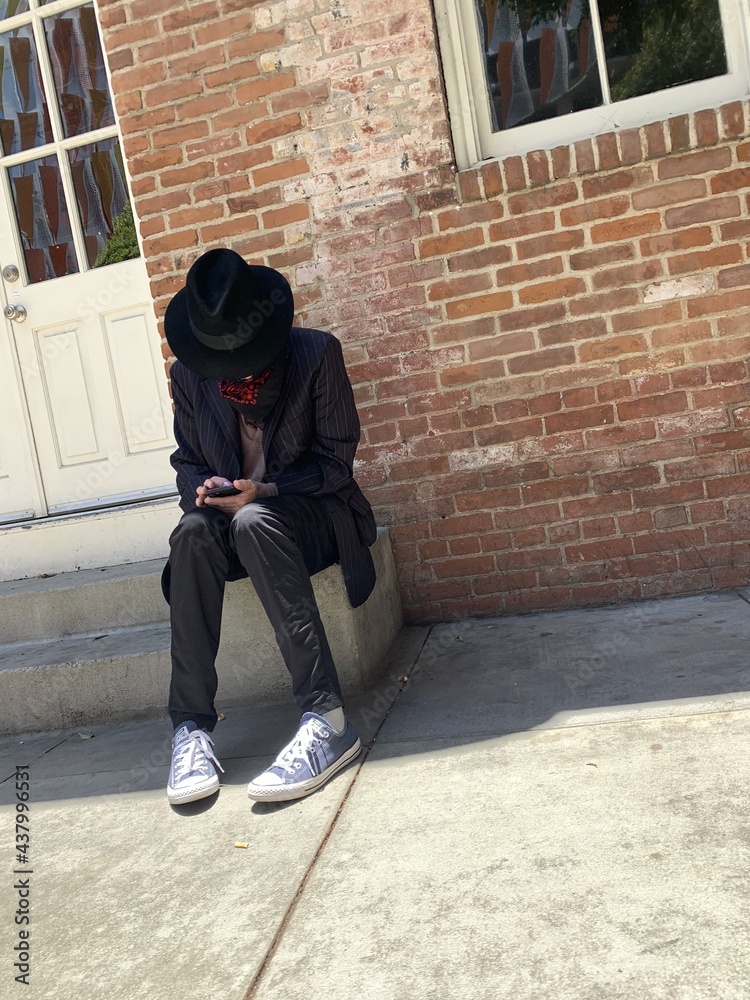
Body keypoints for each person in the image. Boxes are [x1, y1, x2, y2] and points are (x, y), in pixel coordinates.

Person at [160, 247, 377, 806]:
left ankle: (328, 720)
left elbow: (336, 465)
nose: (232, 369)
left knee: (255, 520)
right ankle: (190, 728)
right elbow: (187, 460)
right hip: (233, 520)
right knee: (190, 533)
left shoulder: (316, 354)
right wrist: (206, 490)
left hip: (310, 515)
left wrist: (265, 491)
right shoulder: (188, 374)